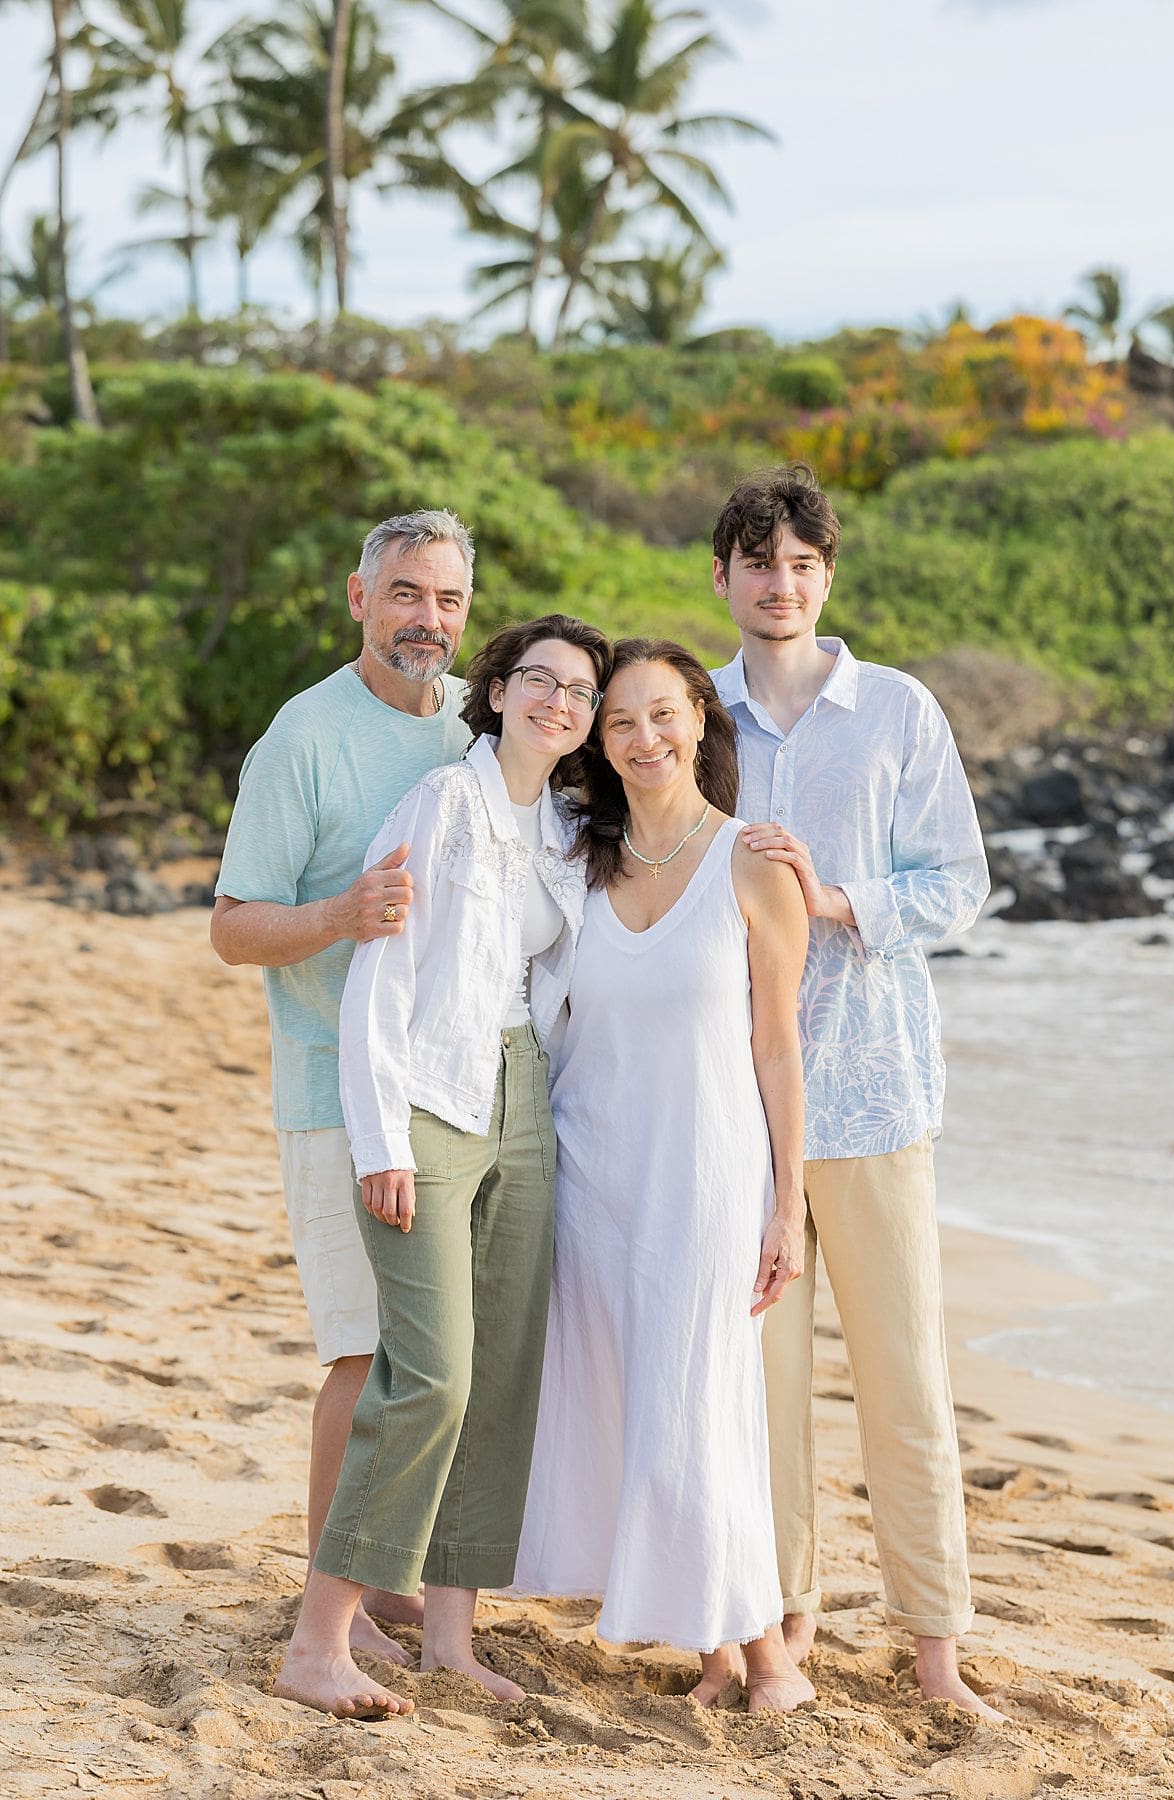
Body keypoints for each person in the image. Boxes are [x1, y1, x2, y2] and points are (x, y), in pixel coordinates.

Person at [274, 613, 613, 1719]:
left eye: (579, 691)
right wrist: (380, 1141)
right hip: (427, 1100)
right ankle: (320, 1638)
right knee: (431, 1376)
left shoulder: (565, 825)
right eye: (540, 680)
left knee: (504, 1378)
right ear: (500, 691)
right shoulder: (441, 806)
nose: (559, 701)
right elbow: (378, 981)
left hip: (528, 1103)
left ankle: (450, 1640)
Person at [709, 464, 1001, 1720]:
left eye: (803, 565)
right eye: (760, 563)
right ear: (721, 575)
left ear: (829, 578)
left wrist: (838, 902)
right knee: (759, 1392)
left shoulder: (895, 711)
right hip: (727, 1102)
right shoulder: (690, 712)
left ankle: (937, 1650)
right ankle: (784, 1627)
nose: (781, 585)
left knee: (905, 1383)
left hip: (875, 1094)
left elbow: (959, 880)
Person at [513, 639, 815, 1715]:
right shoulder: (574, 862)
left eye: (662, 714)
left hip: (706, 1173)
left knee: (702, 1400)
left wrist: (791, 1202)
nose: (644, 738)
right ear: (599, 741)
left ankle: (770, 1652)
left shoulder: (755, 861)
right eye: (621, 722)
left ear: (701, 721)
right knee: (637, 1399)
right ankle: (715, 1653)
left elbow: (778, 1046)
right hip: (591, 1165)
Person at [210, 509, 475, 1668]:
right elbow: (232, 927)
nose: (430, 619)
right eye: (408, 594)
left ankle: (390, 1575)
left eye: (450, 600)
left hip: (457, 1093)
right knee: (362, 1358)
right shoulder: (302, 738)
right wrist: (338, 917)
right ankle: (338, 1600)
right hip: (332, 1089)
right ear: (359, 599)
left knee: (435, 1357)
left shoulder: (478, 724)